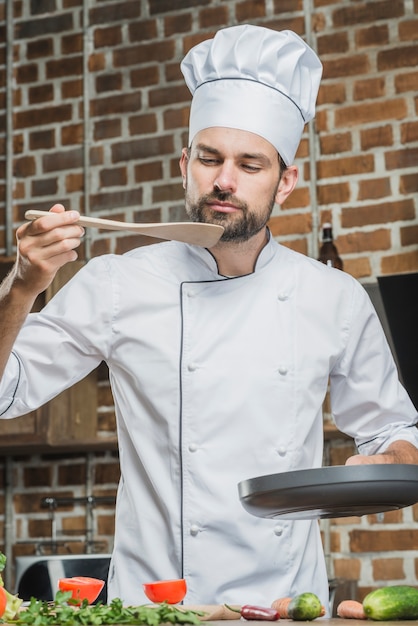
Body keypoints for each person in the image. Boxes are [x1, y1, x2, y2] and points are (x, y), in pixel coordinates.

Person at [1, 24, 418, 610]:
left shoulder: (334, 298)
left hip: (281, 608)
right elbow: (4, 390)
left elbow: (393, 431)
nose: (224, 180)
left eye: (251, 164)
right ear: (184, 163)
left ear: (287, 181)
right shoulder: (117, 282)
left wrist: (393, 464)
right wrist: (21, 288)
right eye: (210, 158)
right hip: (152, 610)